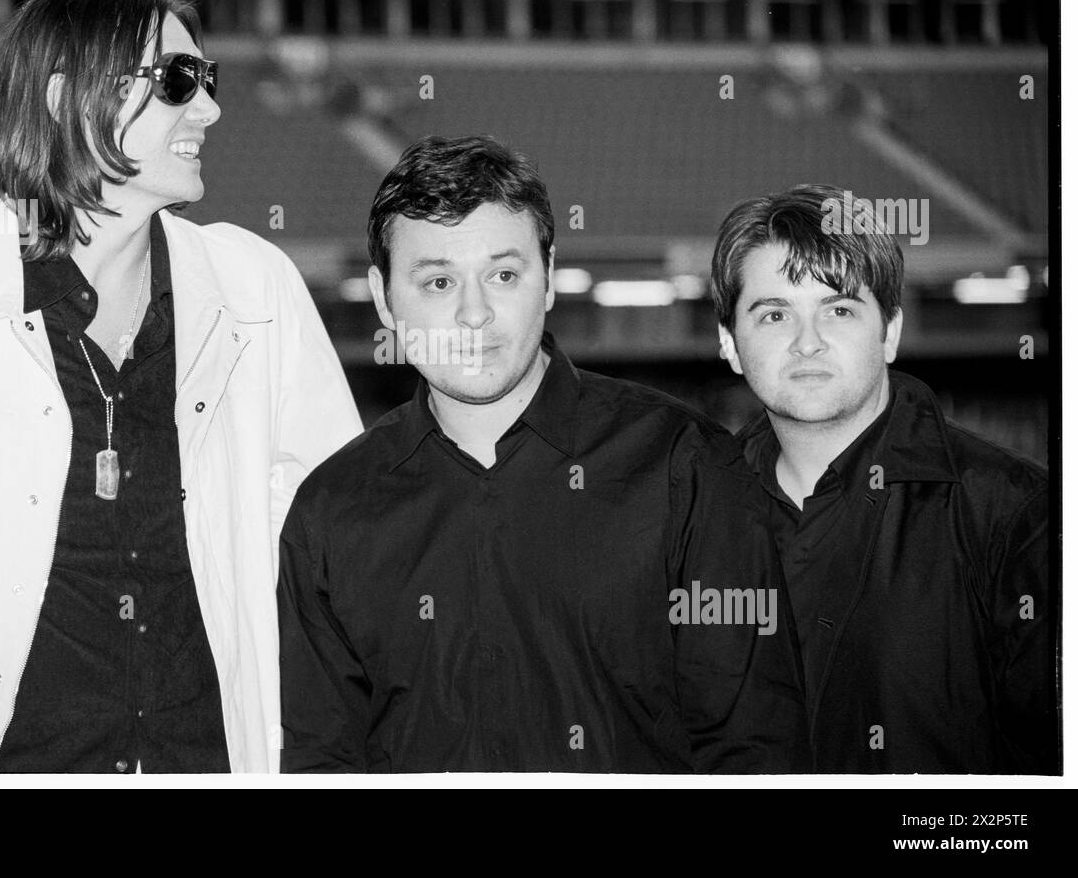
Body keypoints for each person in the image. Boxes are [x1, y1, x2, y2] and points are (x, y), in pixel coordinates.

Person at [0, 0, 362, 773]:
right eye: (176, 80)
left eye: (207, 79)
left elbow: (333, 548)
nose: (208, 107)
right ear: (67, 95)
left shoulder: (255, 288)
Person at [277, 135, 808, 772]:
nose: (474, 314)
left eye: (503, 275)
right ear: (386, 298)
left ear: (549, 278)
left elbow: (753, 750)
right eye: (439, 281)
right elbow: (323, 766)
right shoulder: (331, 510)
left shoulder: (683, 467)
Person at [710, 183, 1056, 773]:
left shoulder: (1017, 515)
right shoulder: (691, 518)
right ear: (730, 344)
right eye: (774, 314)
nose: (807, 342)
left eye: (839, 309)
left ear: (890, 330)